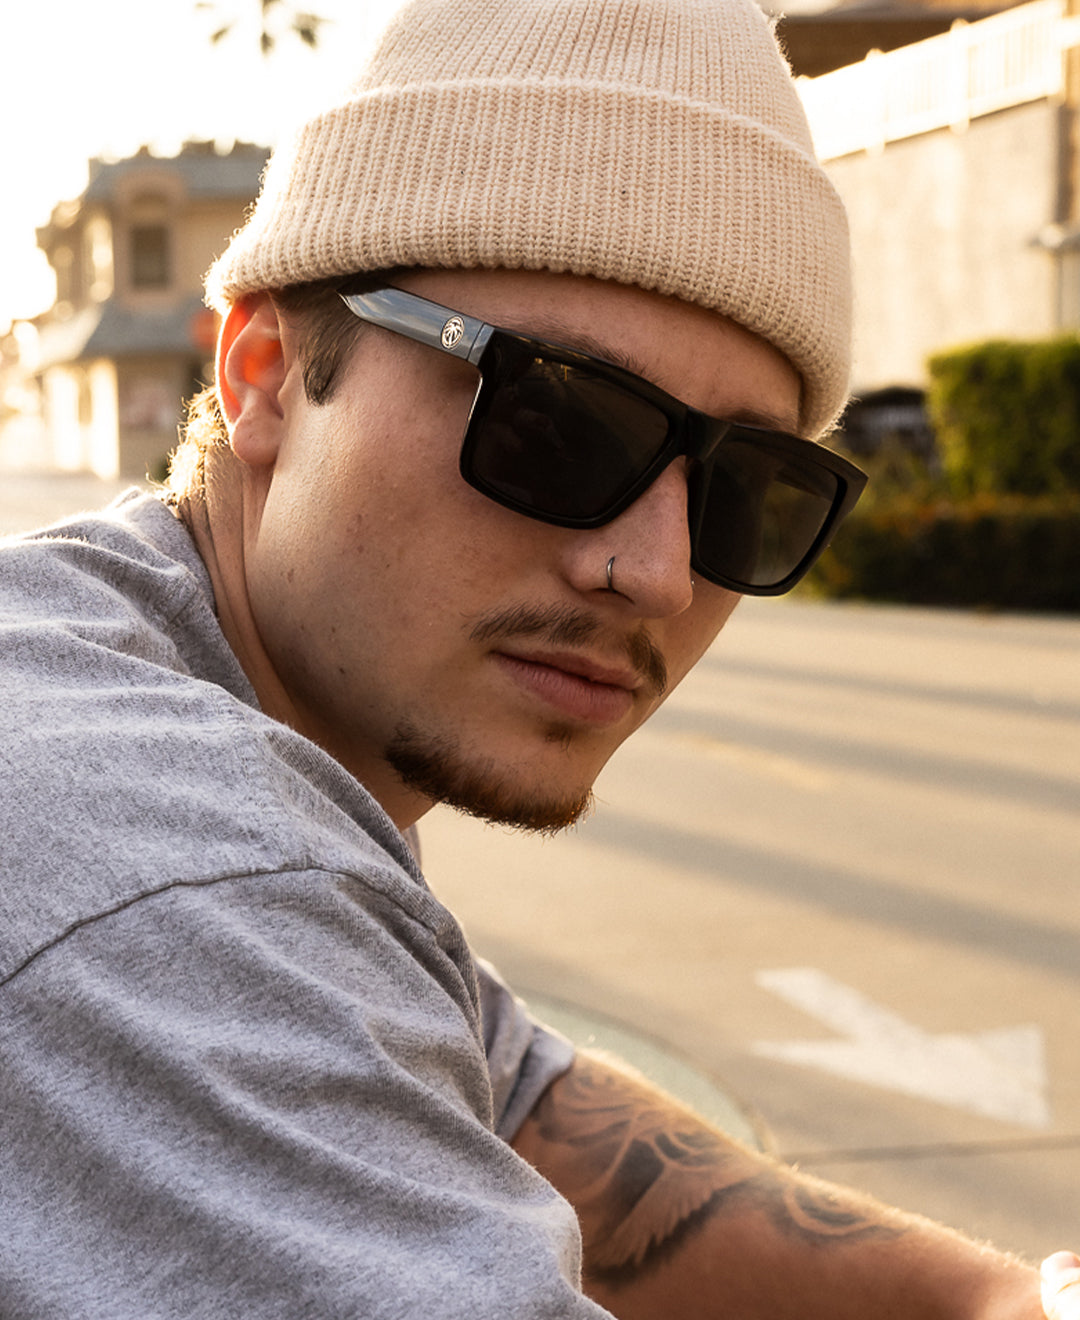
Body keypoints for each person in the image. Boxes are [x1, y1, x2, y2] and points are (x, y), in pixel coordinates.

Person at [0, 0, 1069, 1314]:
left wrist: (1005, 1300)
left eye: (747, 489)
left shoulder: (139, 657)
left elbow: (523, 1102)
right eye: (559, 424)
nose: (656, 572)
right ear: (268, 371)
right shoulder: (161, 869)